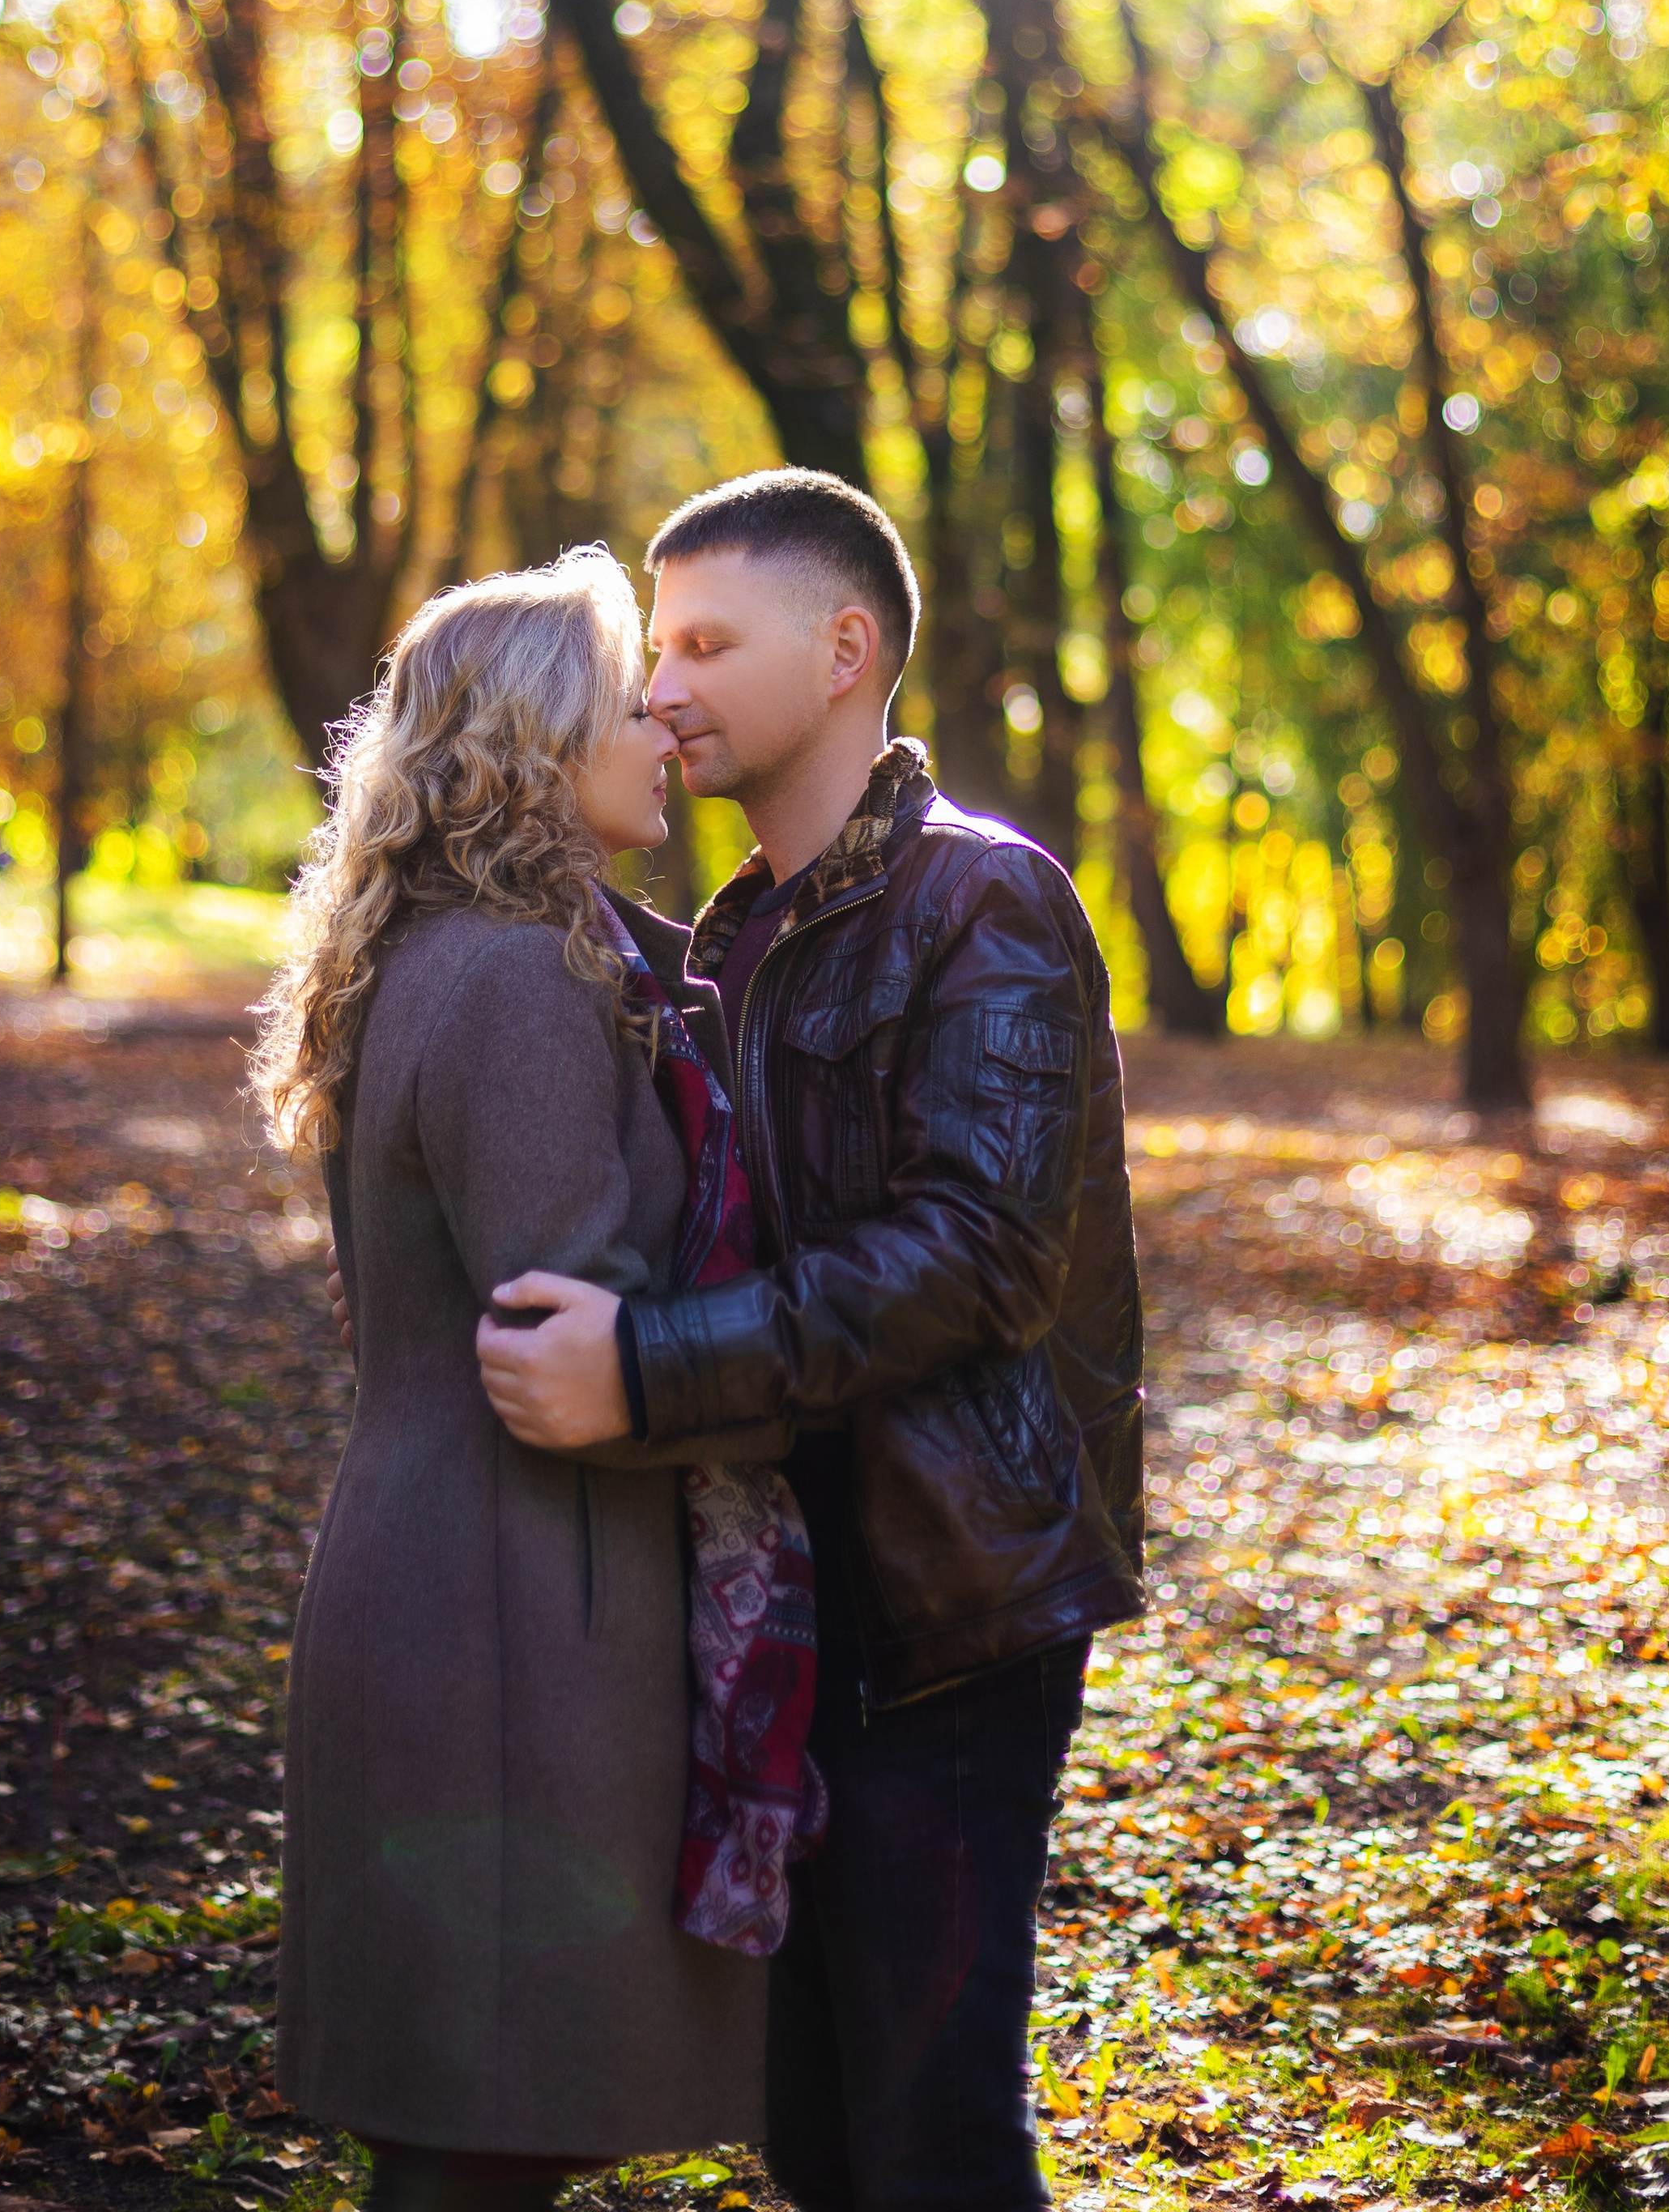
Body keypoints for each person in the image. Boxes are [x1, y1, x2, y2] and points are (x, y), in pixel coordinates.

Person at [478, 471, 1144, 2212]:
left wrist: (646, 1369)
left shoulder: (978, 903)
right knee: (811, 2136)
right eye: (653, 646)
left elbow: (977, 1254)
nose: (663, 685)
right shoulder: (737, 936)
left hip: (945, 1607)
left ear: (844, 650)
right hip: (776, 1596)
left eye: (704, 640)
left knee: (928, 2137)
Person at [258, 549, 804, 2212]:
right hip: (511, 1610)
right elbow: (575, 1326)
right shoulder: (513, 977)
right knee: (482, 2126)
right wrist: (823, 1382)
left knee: (482, 2113)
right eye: (624, 688)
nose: (658, 717)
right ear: (531, 743)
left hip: (476, 1582)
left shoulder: (469, 952)